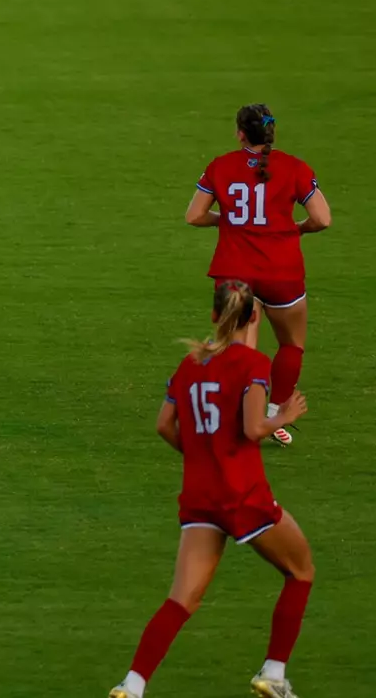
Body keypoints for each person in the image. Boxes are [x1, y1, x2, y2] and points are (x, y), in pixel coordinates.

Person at [108, 281, 315, 698]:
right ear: (254, 318)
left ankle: (132, 686)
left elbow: (164, 424)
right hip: (243, 494)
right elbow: (253, 428)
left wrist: (200, 456)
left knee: (180, 600)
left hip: (200, 498)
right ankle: (273, 674)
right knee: (301, 571)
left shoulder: (190, 364)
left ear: (214, 316)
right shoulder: (253, 364)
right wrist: (284, 415)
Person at [185, 105, 330, 446]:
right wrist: (299, 230)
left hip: (235, 272)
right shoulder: (295, 167)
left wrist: (227, 219)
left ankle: (234, 417)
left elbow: (194, 216)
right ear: (271, 133)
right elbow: (322, 219)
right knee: (291, 344)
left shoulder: (220, 167)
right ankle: (275, 413)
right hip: (282, 272)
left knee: (239, 352)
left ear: (240, 133)